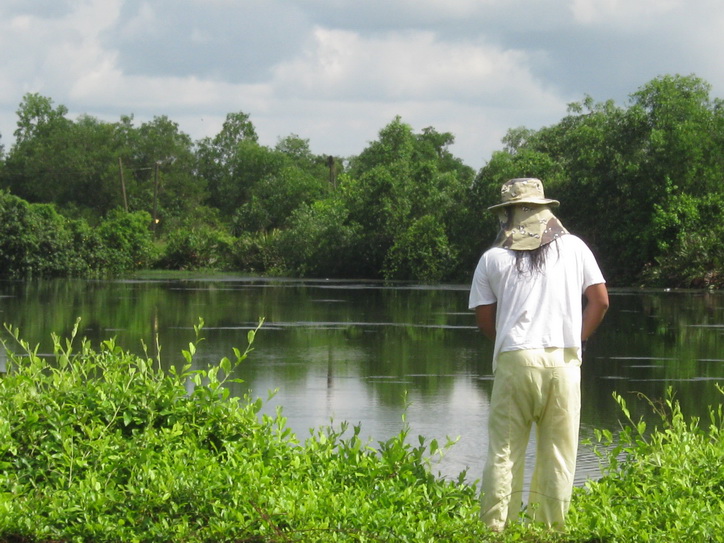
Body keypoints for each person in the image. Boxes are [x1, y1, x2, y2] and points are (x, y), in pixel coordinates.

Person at [468, 177, 609, 531]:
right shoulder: (576, 248)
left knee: (504, 453)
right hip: (563, 362)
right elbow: (600, 301)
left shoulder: (492, 259)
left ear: (508, 216)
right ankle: (548, 531)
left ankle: (495, 530)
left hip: (515, 361)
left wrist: (513, 346)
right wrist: (578, 340)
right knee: (559, 455)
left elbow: (485, 320)